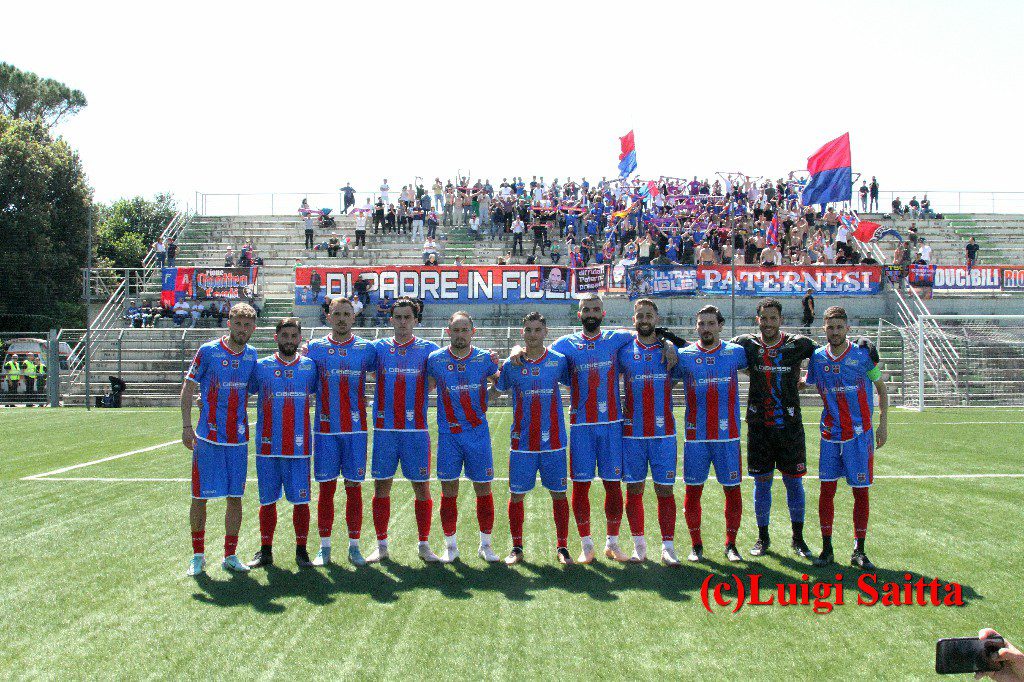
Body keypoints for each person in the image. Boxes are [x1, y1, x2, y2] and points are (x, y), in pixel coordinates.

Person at [546, 293, 677, 564]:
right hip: (581, 426)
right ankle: (586, 545)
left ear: (603, 313)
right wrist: (515, 351)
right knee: (581, 488)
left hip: (613, 426)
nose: (591, 313)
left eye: (596, 309)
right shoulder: (564, 344)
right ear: (579, 313)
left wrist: (668, 343)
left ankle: (612, 543)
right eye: (586, 309)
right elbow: (540, 355)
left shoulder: (617, 339)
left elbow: (648, 333)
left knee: (613, 486)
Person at [730, 299, 818, 560]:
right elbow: (715, 349)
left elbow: (824, 354)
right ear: (757, 320)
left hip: (789, 427)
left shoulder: (797, 344)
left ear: (781, 320)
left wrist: (808, 379)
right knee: (762, 483)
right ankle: (763, 537)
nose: (768, 323)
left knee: (794, 483)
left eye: (773, 318)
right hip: (759, 427)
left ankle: (798, 539)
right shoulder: (746, 344)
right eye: (764, 318)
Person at [804, 306, 889, 570]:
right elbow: (805, 382)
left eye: (840, 327)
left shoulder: (863, 355)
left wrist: (883, 425)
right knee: (826, 491)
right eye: (831, 327)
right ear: (824, 329)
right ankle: (827, 548)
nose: (835, 331)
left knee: (860, 492)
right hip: (830, 435)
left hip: (859, 436)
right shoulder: (817, 358)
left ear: (848, 329)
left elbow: (881, 388)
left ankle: (859, 550)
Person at [180, 303, 260, 576]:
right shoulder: (208, 351)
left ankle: (230, 554)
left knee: (234, 497)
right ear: (229, 323)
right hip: (208, 437)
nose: (242, 329)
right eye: (238, 323)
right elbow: (189, 387)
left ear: (254, 328)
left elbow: (256, 388)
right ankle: (198, 556)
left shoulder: (252, 356)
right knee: (200, 497)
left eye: (247, 325)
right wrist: (187, 425)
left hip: (237, 439)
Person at [490, 312, 573, 565]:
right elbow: (497, 389)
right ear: (522, 333)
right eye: (528, 330)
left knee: (559, 494)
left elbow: (577, 384)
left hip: (554, 441)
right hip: (522, 442)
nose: (532, 334)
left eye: (537, 330)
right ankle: (517, 547)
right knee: (517, 495)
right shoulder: (513, 364)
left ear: (545, 332)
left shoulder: (558, 361)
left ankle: (563, 547)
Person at [303, 298, 379, 566]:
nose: (343, 318)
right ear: (328, 316)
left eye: (347, 314)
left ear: (354, 317)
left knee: (354, 490)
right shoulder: (315, 348)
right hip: (324, 431)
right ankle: (324, 548)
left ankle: (354, 546)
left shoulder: (366, 349)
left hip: (356, 430)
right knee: (326, 490)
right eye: (337, 314)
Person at [366, 298, 441, 563]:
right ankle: (381, 545)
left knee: (422, 488)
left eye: (407, 317)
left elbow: (438, 376)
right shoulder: (377, 349)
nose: (402, 322)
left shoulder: (430, 350)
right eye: (397, 317)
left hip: (416, 431)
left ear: (415, 320)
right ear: (391, 320)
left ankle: (424, 544)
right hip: (385, 429)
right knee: (381, 487)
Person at [426, 312, 501, 563]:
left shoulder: (484, 359)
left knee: (483, 489)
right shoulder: (435, 360)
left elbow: (499, 384)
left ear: (473, 331)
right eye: (455, 330)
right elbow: (424, 389)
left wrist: (485, 400)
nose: (460, 335)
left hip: (478, 435)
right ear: (449, 332)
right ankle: (450, 545)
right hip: (449, 436)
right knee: (449, 492)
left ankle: (486, 544)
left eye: (464, 330)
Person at [245, 318, 318, 569]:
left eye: (293, 336)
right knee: (267, 501)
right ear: (276, 338)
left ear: (299, 338)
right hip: (267, 446)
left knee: (301, 501)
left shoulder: (310, 367)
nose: (289, 340)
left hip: (299, 448)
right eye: (284, 335)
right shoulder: (261, 366)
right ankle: (265, 550)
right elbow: (240, 393)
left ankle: (302, 550)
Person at [677, 305, 748, 562]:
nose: (706, 328)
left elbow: (763, 363)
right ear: (696, 327)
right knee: (693, 491)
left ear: (720, 325)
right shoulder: (684, 356)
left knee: (732, 491)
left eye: (710, 323)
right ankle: (696, 545)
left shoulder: (736, 352)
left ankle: (731, 544)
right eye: (701, 324)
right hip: (696, 436)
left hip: (727, 436)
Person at [618, 299, 684, 565]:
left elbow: (698, 350)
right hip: (632, 433)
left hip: (663, 433)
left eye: (649, 315)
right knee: (634, 489)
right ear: (634, 320)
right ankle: (639, 545)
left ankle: (668, 546)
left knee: (664, 491)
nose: (644, 319)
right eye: (640, 315)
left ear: (656, 319)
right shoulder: (623, 350)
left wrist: (668, 341)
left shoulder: (671, 350)